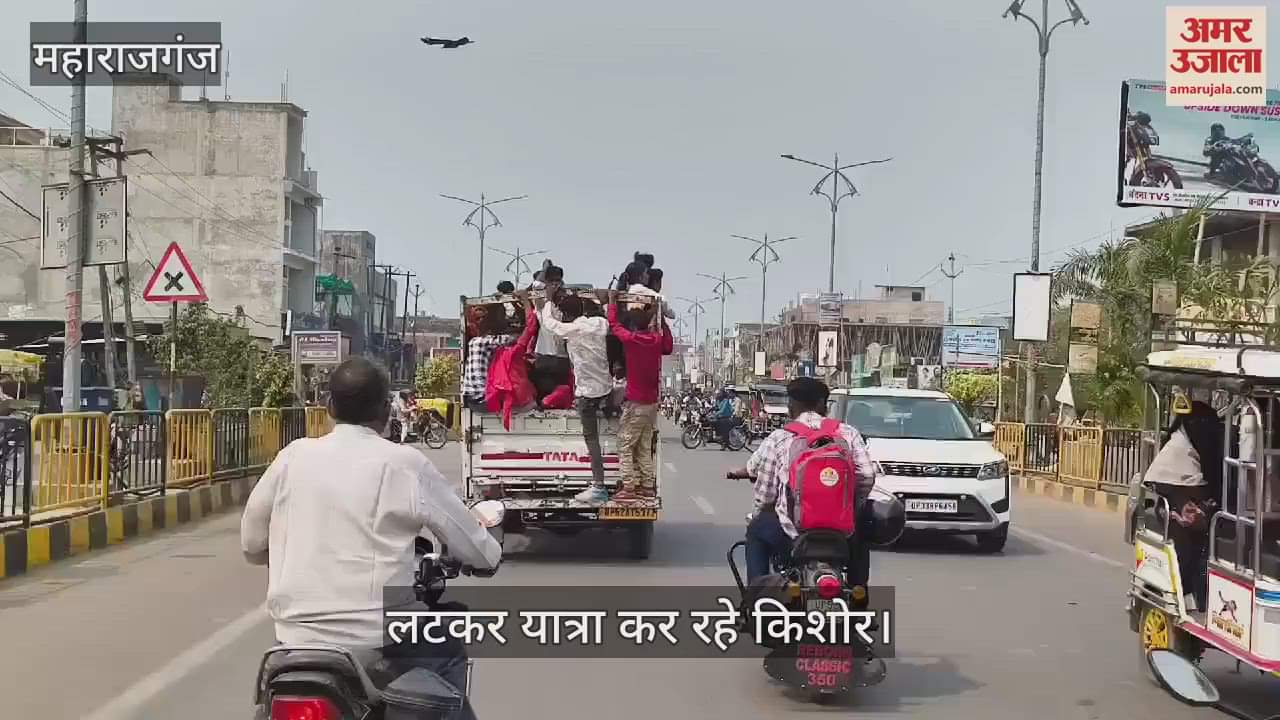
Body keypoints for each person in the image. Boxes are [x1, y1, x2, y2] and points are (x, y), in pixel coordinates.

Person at [241, 358, 501, 720]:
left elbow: (252, 545)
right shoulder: (404, 464)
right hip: (381, 640)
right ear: (385, 409)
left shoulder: (291, 458)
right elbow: (478, 551)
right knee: (447, 646)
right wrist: (487, 551)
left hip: (293, 642)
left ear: (330, 406)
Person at [727, 377, 877, 584]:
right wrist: (852, 506)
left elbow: (766, 495)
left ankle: (759, 596)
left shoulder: (780, 437)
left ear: (791, 405)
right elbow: (867, 475)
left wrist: (759, 513)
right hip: (842, 533)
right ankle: (859, 594)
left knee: (756, 530)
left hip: (792, 532)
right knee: (861, 537)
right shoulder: (848, 433)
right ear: (823, 405)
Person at [1144, 400, 1223, 611]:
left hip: (1176, 507)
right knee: (1203, 542)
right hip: (1177, 511)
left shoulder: (1181, 438)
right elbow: (1195, 487)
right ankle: (1191, 595)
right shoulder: (1184, 448)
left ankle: (1194, 595)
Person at [538, 293, 612, 502]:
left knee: (592, 439)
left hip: (587, 394)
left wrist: (548, 301)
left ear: (566, 315)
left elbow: (549, 324)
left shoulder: (572, 329)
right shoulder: (599, 323)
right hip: (606, 389)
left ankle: (599, 486)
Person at [608, 292, 673, 502]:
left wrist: (611, 302)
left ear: (633, 326)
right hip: (651, 403)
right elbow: (668, 346)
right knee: (643, 445)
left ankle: (629, 487)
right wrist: (662, 321)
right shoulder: (656, 340)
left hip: (635, 403)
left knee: (625, 444)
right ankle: (646, 485)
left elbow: (613, 325)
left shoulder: (631, 339)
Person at [531, 265, 572, 405]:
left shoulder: (563, 304)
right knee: (543, 393)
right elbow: (536, 285)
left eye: (558, 281)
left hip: (562, 357)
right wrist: (545, 268)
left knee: (560, 392)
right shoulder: (541, 303)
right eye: (551, 281)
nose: (555, 284)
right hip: (544, 355)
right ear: (546, 282)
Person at [461, 305, 513, 409]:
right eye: (478, 318)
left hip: (471, 401)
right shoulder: (483, 341)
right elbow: (511, 339)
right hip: (483, 399)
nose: (481, 321)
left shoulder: (472, 342)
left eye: (483, 318)